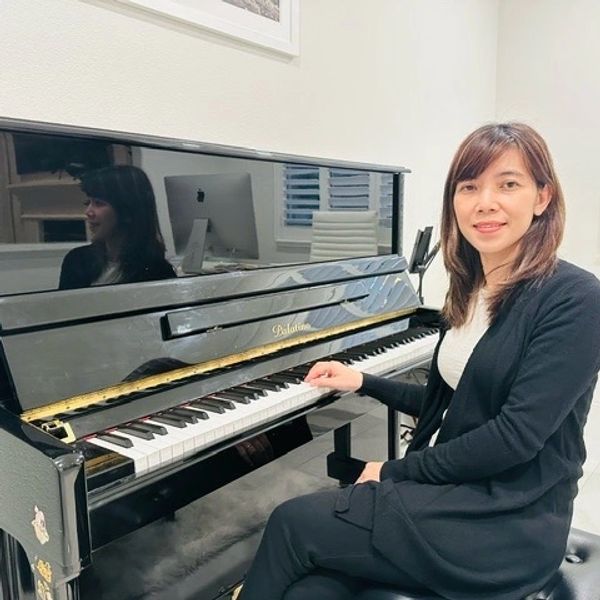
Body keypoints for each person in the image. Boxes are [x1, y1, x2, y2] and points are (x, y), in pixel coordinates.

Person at [236, 123, 600, 600]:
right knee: (314, 590)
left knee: (292, 521)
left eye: (508, 184)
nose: (485, 202)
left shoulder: (576, 298)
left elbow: (514, 437)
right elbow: (445, 403)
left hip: (509, 518)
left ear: (542, 197)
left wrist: (391, 472)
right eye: (469, 187)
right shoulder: (471, 289)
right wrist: (362, 379)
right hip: (461, 487)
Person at [58, 165, 175, 289]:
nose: (88, 212)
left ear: (126, 211)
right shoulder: (77, 260)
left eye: (99, 203)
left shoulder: (157, 272)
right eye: (88, 202)